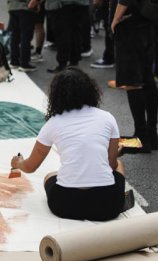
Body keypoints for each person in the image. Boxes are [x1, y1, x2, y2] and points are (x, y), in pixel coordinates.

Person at [9, 67, 132, 221]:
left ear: (55, 96)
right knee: (119, 164)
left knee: (50, 176)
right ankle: (121, 197)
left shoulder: (53, 124)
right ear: (90, 91)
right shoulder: (107, 118)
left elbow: (30, 167)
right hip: (107, 206)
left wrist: (18, 162)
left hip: (65, 205)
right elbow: (111, 165)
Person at [101, 0, 158, 153]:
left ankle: (141, 137)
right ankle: (151, 135)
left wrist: (115, 18)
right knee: (147, 80)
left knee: (132, 83)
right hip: (146, 25)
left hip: (130, 29)